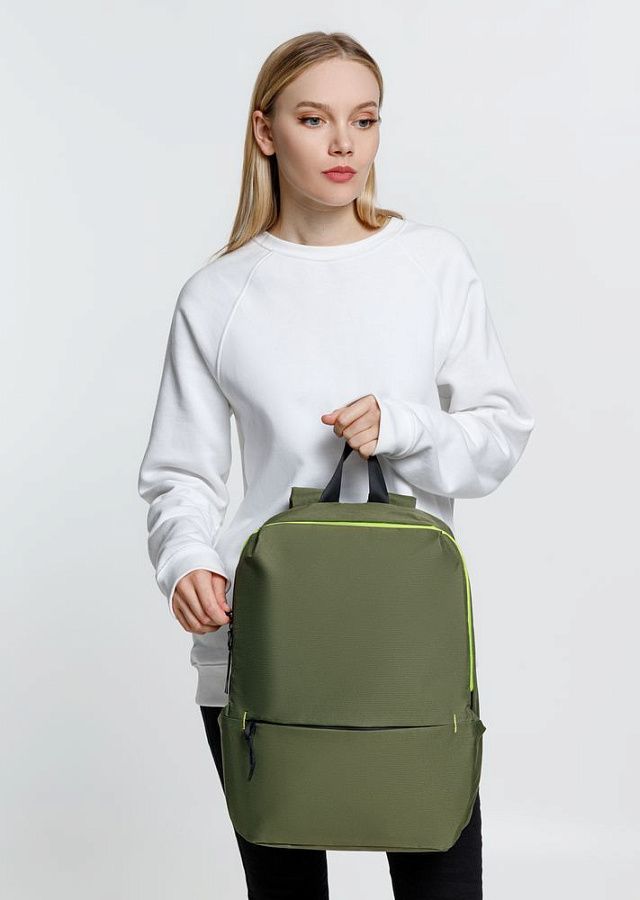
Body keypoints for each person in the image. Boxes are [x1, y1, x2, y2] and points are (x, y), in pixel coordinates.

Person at [138, 30, 535, 900]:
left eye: (365, 119)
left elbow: (499, 435)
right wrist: (188, 562)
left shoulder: (430, 264)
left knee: (441, 884)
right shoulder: (218, 295)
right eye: (314, 119)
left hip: (405, 640)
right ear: (265, 130)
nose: (344, 143)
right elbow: (180, 474)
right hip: (261, 638)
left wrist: (402, 426)